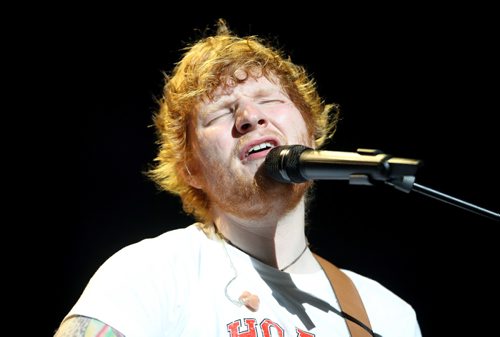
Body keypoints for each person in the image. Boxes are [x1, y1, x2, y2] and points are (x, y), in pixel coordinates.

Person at [55, 19, 422, 337]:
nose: (250, 116)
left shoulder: (385, 314)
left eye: (268, 99)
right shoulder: (153, 272)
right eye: (219, 114)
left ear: (310, 132)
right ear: (191, 169)